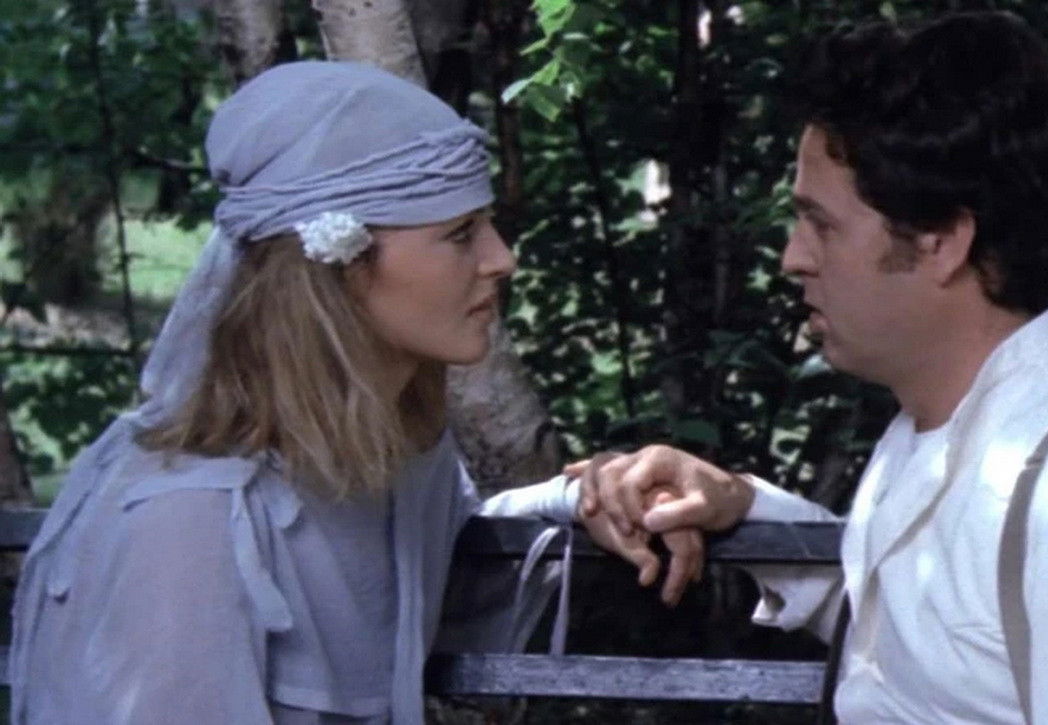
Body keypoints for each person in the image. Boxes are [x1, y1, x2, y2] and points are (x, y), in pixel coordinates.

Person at [576, 12, 1048, 723]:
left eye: (821, 223)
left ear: (942, 240)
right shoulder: (956, 427)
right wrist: (743, 507)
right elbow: (941, 644)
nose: (793, 257)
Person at [7, 61, 700, 725]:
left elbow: (425, 583)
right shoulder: (192, 521)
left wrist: (588, 498)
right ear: (340, 269)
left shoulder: (392, 455)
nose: (501, 258)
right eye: (460, 233)